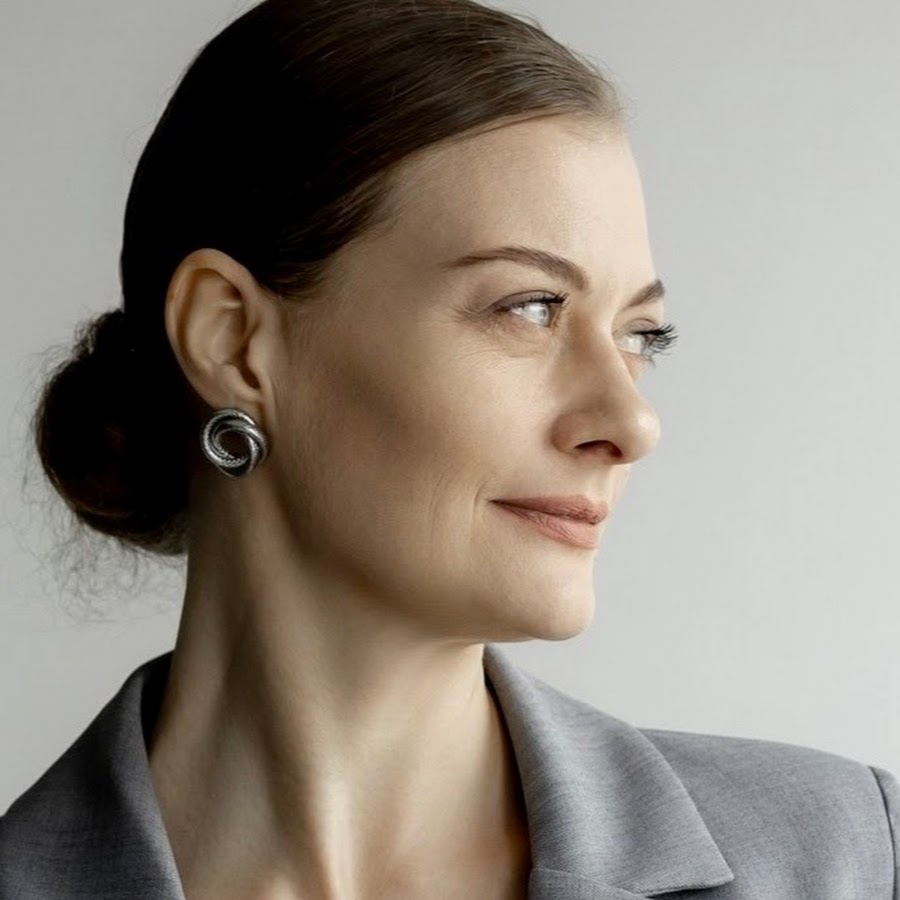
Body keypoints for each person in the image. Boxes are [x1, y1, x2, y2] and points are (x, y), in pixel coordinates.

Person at [1, 0, 897, 897]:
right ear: (231, 340)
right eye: (531, 308)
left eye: (640, 335)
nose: (632, 424)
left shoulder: (847, 859)